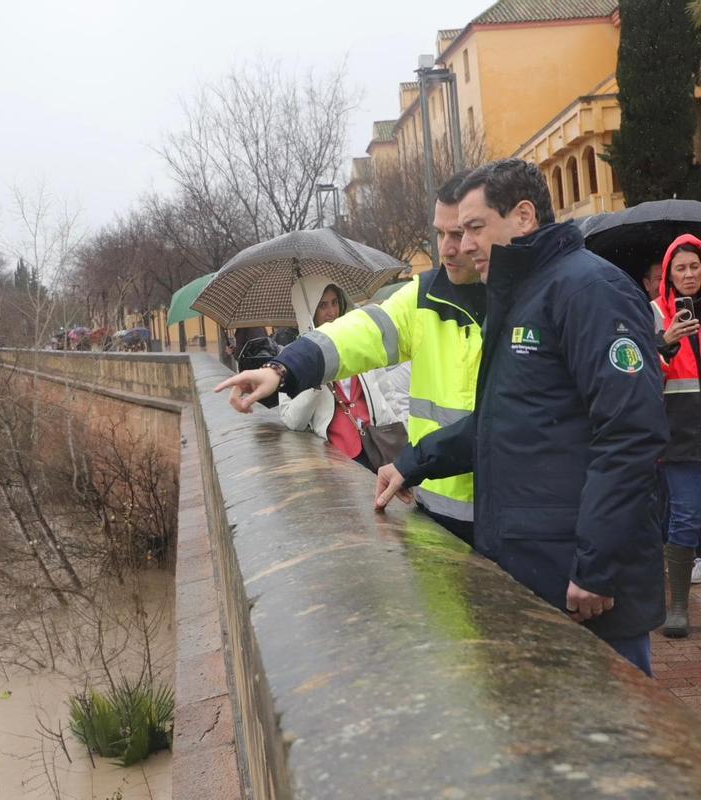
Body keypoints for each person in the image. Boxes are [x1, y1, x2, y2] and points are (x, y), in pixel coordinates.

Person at [375, 158, 668, 675]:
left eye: (474, 228)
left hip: (583, 585)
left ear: (524, 216)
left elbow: (630, 434)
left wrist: (597, 566)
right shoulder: (521, 297)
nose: (462, 246)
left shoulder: (588, 290)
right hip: (535, 570)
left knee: (615, 743)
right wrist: (413, 462)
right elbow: (502, 423)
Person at [213, 171, 484, 546]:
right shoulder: (422, 297)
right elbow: (359, 334)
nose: (448, 249)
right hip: (435, 507)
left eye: (463, 232)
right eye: (441, 234)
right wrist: (283, 369)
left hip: (500, 513)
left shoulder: (527, 299)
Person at [278, 282, 407, 470]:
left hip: (380, 444)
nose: (331, 312)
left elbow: (387, 392)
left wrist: (403, 430)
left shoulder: (360, 341)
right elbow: (293, 421)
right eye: (322, 305)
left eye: (334, 302)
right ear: (309, 311)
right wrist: (314, 379)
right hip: (339, 458)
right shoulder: (292, 358)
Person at [651, 235, 701, 635]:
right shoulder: (654, 314)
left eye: (695, 266)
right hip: (680, 437)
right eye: (680, 268)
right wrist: (663, 344)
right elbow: (636, 372)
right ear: (668, 274)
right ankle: (679, 608)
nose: (688, 274)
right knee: (685, 517)